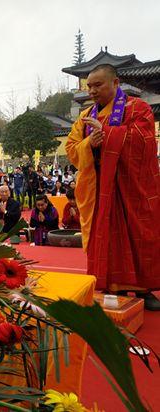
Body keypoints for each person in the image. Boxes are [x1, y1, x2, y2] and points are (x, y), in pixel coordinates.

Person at [66, 64, 160, 310]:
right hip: (101, 189)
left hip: (131, 187)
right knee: (105, 238)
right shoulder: (86, 116)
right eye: (89, 86)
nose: (92, 91)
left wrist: (107, 133)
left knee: (138, 236)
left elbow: (145, 140)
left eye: (98, 85)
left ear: (116, 83)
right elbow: (72, 149)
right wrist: (90, 143)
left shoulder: (138, 108)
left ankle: (143, 288)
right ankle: (108, 286)